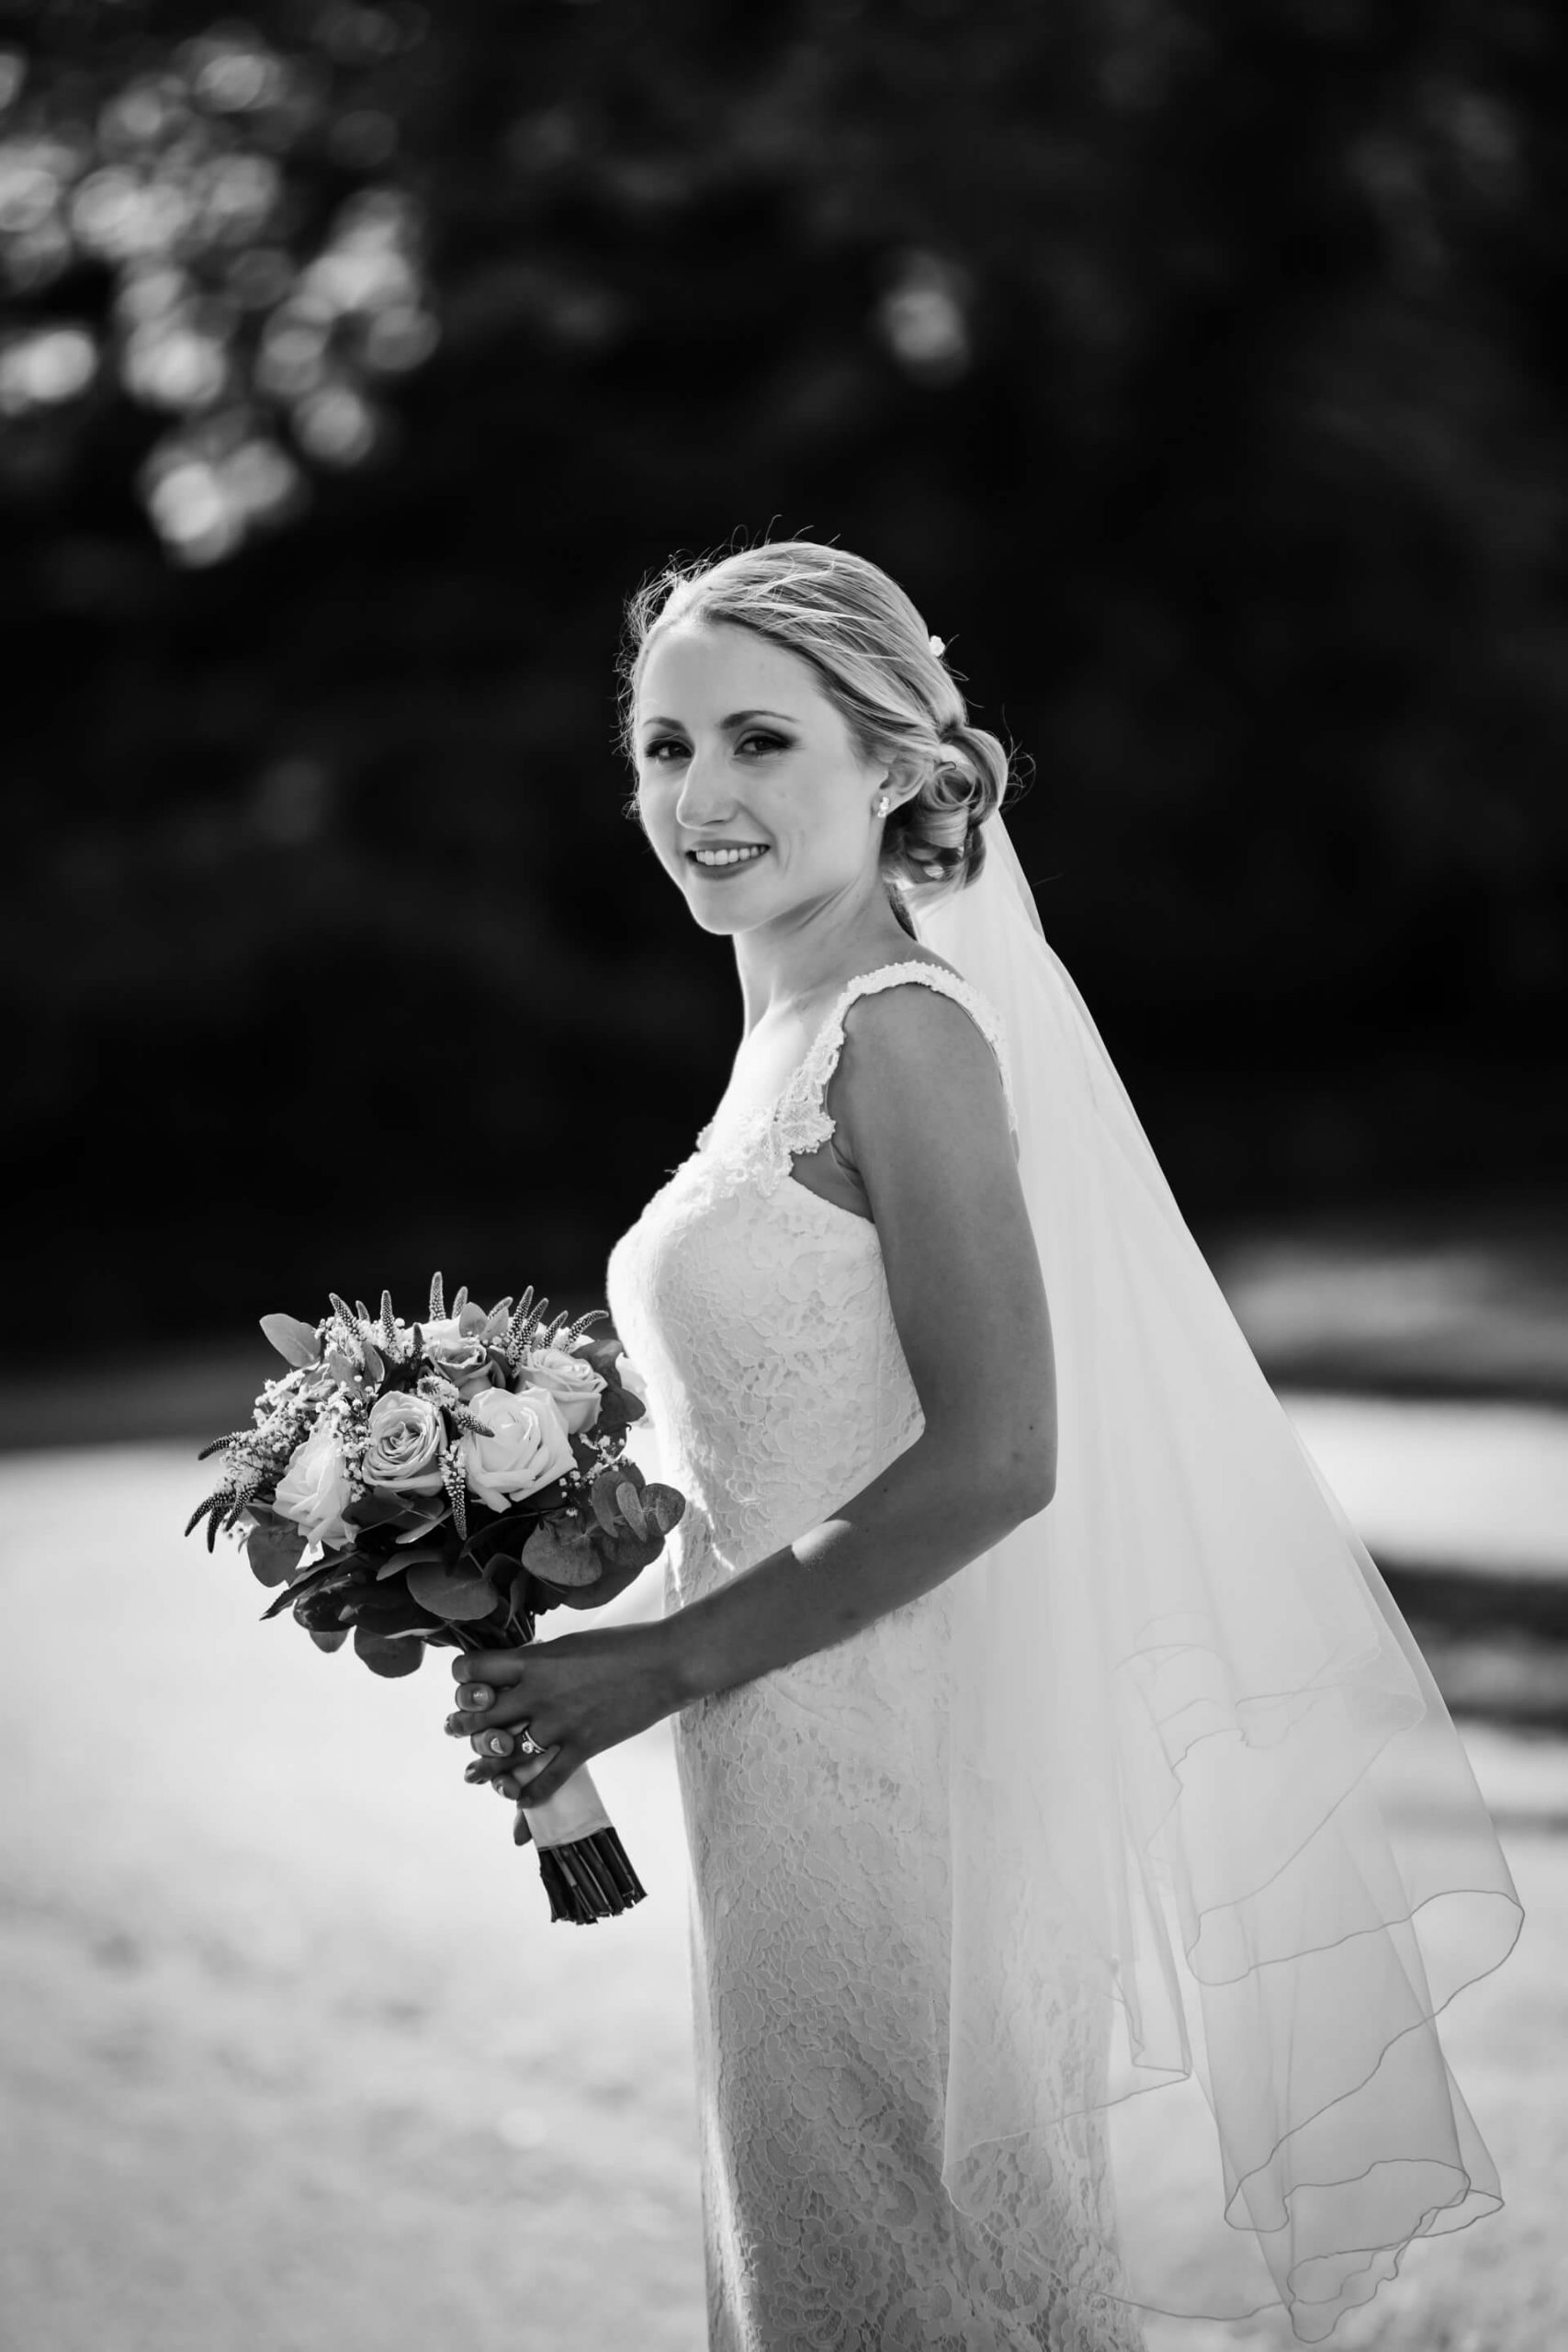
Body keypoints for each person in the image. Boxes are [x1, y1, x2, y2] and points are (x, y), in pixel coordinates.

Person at [444, 541, 1522, 2351]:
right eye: (663, 747)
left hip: (903, 1772)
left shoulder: (904, 1036)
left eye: (760, 741)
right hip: (773, 1762)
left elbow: (1001, 1454)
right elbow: (790, 1442)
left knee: (928, 2276)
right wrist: (555, 1569)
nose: (698, 797)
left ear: (894, 767)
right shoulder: (781, 1035)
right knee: (825, 2259)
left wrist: (660, 1661)